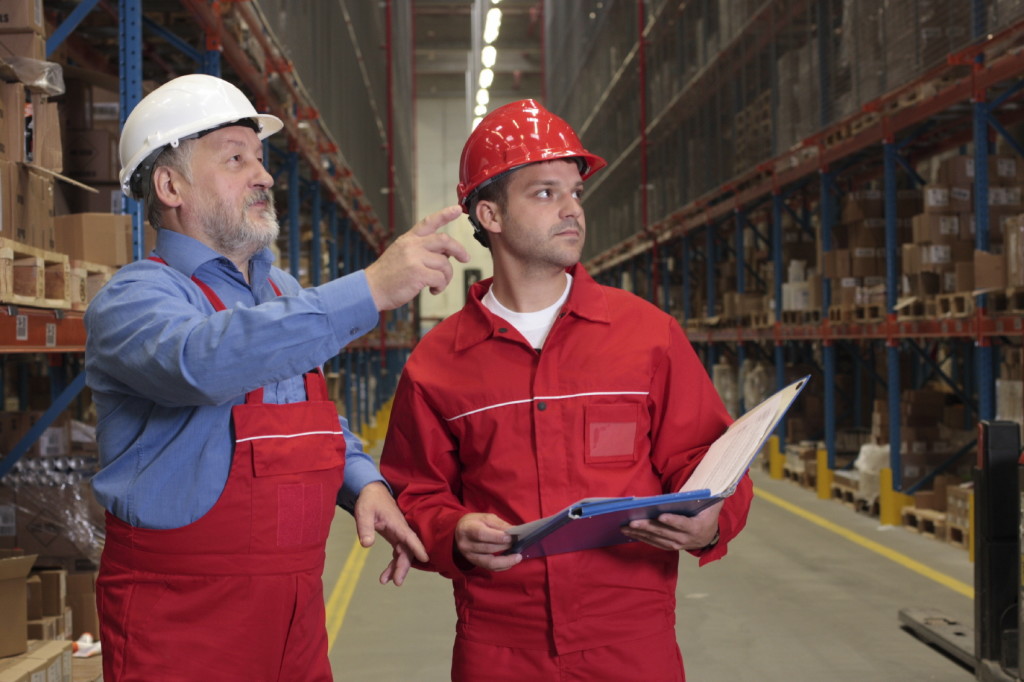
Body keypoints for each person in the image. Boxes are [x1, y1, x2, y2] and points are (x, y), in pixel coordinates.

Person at [84, 74, 469, 682]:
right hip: (183, 626)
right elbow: (203, 362)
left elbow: (306, 418)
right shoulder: (133, 301)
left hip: (295, 618)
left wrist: (361, 481)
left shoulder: (283, 295)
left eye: (259, 159)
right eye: (236, 159)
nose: (264, 176)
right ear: (170, 185)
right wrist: (368, 289)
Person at [379, 99, 754, 681]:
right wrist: (452, 532)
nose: (572, 210)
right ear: (491, 215)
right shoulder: (437, 365)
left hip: (632, 643)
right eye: (545, 193)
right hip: (502, 648)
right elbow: (414, 493)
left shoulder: (648, 337)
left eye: (575, 192)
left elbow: (707, 459)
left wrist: (713, 521)